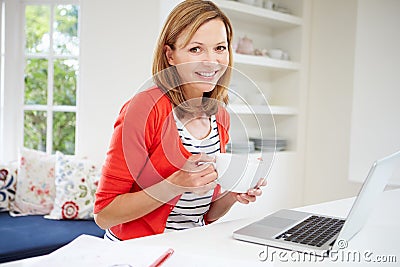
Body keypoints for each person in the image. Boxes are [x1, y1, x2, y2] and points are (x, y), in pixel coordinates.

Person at [94, 0, 267, 241]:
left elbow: (203, 215)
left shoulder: (220, 116)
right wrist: (173, 185)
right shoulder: (143, 110)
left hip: (190, 245)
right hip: (137, 251)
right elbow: (104, 214)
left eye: (220, 48)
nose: (211, 60)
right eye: (196, 49)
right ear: (170, 55)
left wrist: (233, 194)